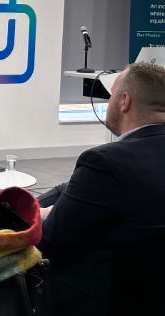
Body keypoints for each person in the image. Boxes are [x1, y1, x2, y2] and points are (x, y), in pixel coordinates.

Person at [38, 63, 165, 316]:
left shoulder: (105, 162)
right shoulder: (111, 166)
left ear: (124, 101)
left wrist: (45, 213)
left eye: (111, 95)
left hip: (102, 300)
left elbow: (51, 242)